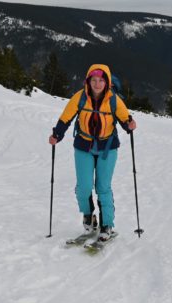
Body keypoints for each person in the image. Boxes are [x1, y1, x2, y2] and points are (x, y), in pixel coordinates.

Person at [49, 64, 136, 242]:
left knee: (103, 187)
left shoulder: (113, 100)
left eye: (101, 81)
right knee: (84, 187)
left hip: (107, 148)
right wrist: (56, 135)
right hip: (83, 146)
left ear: (107, 83)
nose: (97, 84)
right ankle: (89, 216)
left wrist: (130, 125)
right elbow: (66, 118)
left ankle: (107, 225)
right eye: (94, 80)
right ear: (88, 81)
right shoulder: (80, 98)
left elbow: (125, 120)